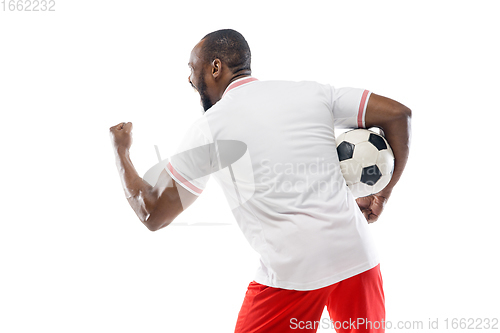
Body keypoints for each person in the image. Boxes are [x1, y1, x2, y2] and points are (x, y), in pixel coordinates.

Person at [110, 29, 411, 333]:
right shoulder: (311, 92)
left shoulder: (209, 129)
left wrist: (121, 151)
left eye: (192, 68)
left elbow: (153, 214)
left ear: (216, 68)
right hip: (358, 256)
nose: (190, 79)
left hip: (294, 272)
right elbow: (399, 115)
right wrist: (380, 195)